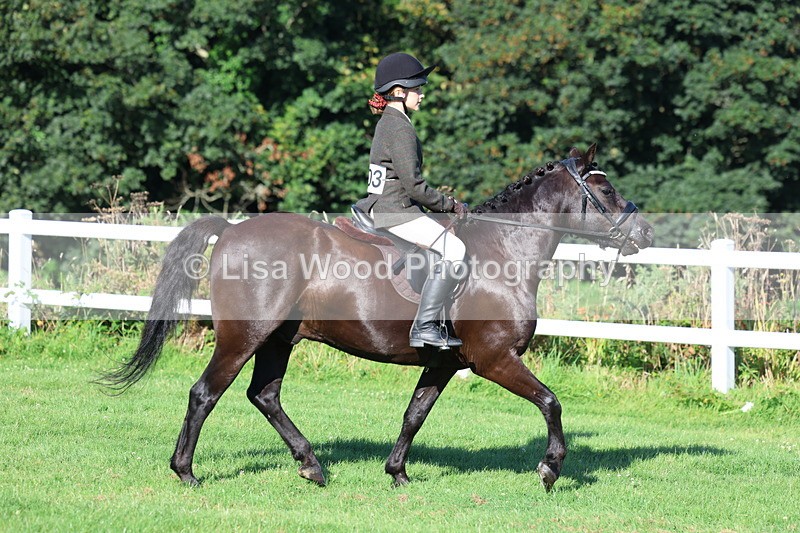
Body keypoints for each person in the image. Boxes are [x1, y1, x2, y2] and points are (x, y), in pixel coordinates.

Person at [355, 52, 468, 349]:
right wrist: (451, 205)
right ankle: (426, 326)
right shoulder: (400, 127)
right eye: (417, 89)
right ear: (398, 92)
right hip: (395, 211)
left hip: (386, 206)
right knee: (455, 249)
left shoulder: (388, 123)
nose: (422, 94)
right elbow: (415, 187)